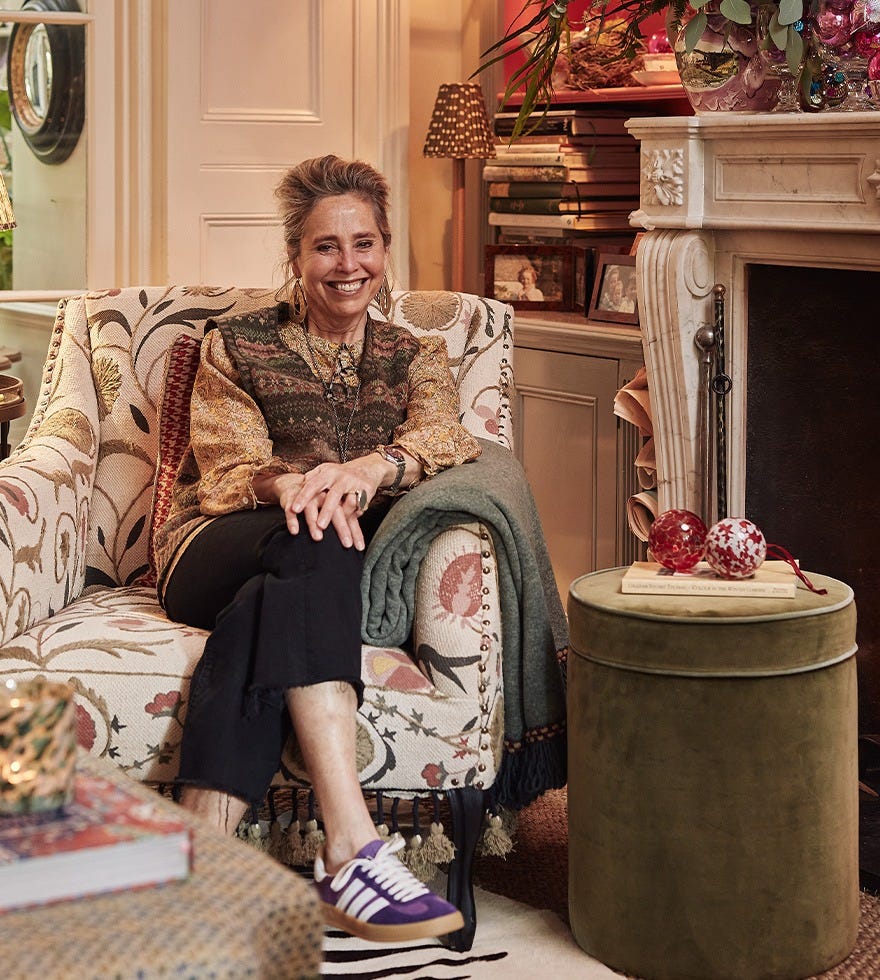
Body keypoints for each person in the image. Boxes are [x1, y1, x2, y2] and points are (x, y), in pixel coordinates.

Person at [154, 154, 481, 943]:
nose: (348, 265)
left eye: (363, 244)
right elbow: (227, 472)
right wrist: (296, 486)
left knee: (290, 584)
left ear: (385, 248)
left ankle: (197, 865)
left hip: (303, 569)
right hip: (213, 545)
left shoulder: (416, 354)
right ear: (296, 257)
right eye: (326, 247)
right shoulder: (235, 344)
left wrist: (370, 469)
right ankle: (353, 847)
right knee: (322, 531)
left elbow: (445, 435)